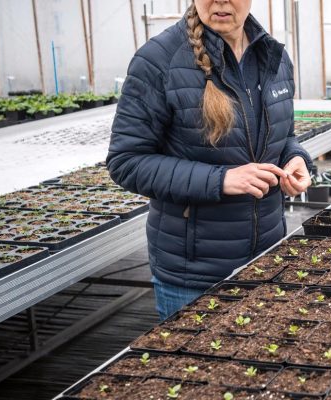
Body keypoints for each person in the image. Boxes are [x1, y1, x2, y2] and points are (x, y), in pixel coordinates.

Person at [107, 0, 312, 320]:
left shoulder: (273, 57)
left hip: (268, 261)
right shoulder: (159, 60)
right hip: (194, 277)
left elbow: (283, 135)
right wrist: (221, 180)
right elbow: (127, 161)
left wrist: (295, 157)